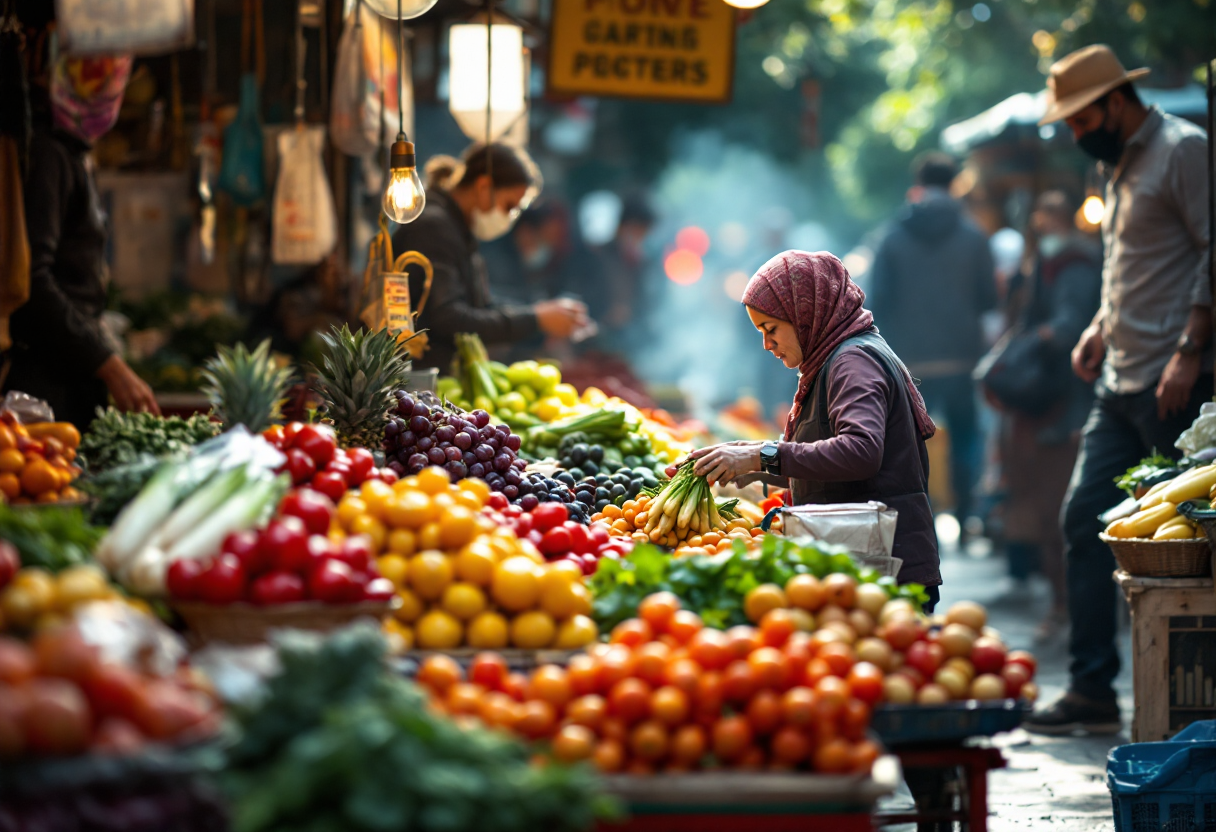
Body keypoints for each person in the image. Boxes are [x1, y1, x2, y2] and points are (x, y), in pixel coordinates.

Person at [1025, 45, 1211, 735]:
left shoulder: (1183, 150)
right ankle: (1092, 688)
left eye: (1080, 119)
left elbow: (1211, 250)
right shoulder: (1118, 165)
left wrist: (1190, 350)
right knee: (1084, 520)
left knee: (1184, 545)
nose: (1076, 133)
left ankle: (1190, 699)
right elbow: (1131, 264)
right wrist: (1100, 326)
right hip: (1120, 378)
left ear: (1115, 102)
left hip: (1174, 381)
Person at [688, 251, 941, 607]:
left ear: (804, 314)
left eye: (771, 329)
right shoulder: (835, 359)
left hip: (885, 571)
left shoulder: (853, 363)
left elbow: (860, 452)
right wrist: (752, 462)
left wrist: (763, 455)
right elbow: (830, 461)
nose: (767, 344)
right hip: (863, 564)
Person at [3, 35, 159, 428]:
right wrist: (109, 365)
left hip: (69, 374)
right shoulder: (49, 154)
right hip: (43, 385)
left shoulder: (69, 152)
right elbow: (32, 282)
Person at [867, 153, 997, 530]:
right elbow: (989, 299)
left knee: (911, 443)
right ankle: (966, 515)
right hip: (961, 357)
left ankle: (921, 520)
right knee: (965, 438)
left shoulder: (891, 237)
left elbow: (877, 301)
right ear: (954, 184)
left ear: (918, 186)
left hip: (909, 362)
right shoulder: (974, 237)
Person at [994, 191, 1101, 638]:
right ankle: (1063, 603)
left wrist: (1036, 340)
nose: (1045, 226)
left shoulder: (1075, 264)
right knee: (1046, 512)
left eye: (1051, 218)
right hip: (1043, 407)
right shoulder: (1044, 263)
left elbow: (1068, 327)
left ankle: (1068, 606)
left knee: (1061, 513)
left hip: (1066, 405)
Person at [391, 143, 588, 372]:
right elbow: (449, 318)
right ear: (484, 186)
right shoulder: (435, 227)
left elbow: (481, 306)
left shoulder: (458, 230)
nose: (510, 218)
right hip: (416, 377)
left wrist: (542, 317)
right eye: (509, 206)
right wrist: (537, 319)